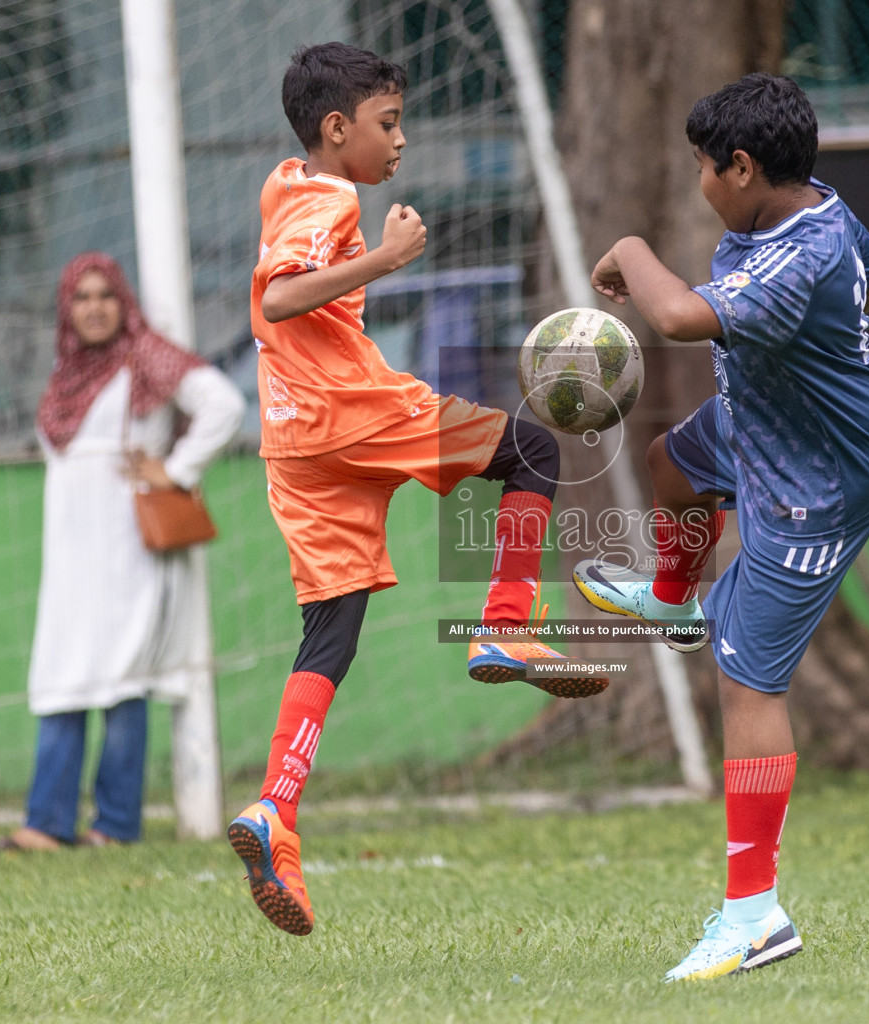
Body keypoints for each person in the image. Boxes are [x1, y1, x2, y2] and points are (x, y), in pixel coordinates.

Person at [226, 42, 604, 936]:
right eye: (388, 123)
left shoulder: (285, 183)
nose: (401, 140)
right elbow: (281, 300)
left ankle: (276, 810)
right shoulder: (329, 196)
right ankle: (508, 628)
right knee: (535, 453)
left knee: (332, 631)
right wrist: (387, 256)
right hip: (352, 413)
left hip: (293, 445)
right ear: (336, 128)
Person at [572, 73, 869, 981]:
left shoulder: (795, 254)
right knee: (669, 466)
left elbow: (676, 314)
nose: (698, 180)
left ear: (744, 167)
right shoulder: (808, 210)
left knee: (748, 678)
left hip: (820, 486)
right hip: (760, 430)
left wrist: (632, 248)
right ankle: (675, 597)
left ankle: (755, 913)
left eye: (701, 167)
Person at [0, 252, 246, 852]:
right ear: (66, 308)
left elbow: (224, 406)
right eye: (82, 297)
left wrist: (175, 469)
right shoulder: (64, 373)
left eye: (106, 295)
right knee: (61, 672)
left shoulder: (145, 354)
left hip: (132, 551)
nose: (95, 307)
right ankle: (47, 823)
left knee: (123, 679)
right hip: (72, 557)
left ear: (122, 300)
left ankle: (114, 825)